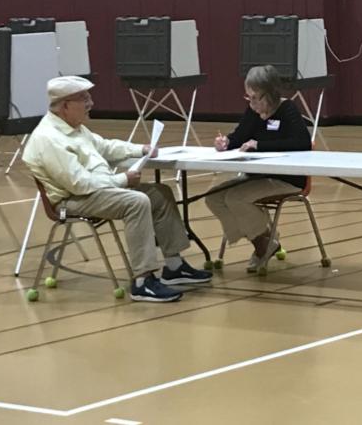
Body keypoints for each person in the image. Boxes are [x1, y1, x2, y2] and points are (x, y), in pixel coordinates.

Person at [23, 76, 212, 303]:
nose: (90, 102)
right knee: (137, 201)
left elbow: (105, 146)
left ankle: (174, 267)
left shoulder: (74, 129)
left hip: (95, 191)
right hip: (72, 199)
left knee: (159, 194)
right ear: (65, 106)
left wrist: (140, 149)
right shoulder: (49, 139)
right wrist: (123, 180)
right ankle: (143, 281)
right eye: (83, 98)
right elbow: (80, 184)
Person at [206, 65, 312, 273]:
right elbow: (239, 136)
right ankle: (264, 240)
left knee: (235, 198)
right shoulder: (253, 112)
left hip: (286, 179)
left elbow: (302, 143)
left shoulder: (287, 110)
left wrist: (261, 145)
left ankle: (262, 245)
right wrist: (226, 142)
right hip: (256, 177)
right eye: (249, 98)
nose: (252, 103)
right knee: (213, 197)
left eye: (256, 97)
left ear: (271, 93)